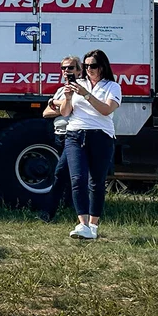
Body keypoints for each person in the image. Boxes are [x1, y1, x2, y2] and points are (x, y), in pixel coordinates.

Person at [59, 49, 121, 240]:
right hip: (75, 134)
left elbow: (106, 110)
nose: (88, 70)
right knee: (77, 178)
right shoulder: (79, 84)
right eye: (85, 66)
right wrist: (68, 98)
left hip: (101, 135)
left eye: (92, 66)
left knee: (96, 181)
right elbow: (64, 112)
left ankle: (93, 225)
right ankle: (82, 224)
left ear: (102, 67)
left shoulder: (112, 86)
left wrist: (86, 95)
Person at [39, 56, 82, 222]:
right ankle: (70, 208)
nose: (67, 71)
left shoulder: (82, 88)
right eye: (64, 68)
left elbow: (72, 108)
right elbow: (45, 113)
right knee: (65, 174)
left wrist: (56, 104)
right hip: (60, 135)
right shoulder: (61, 89)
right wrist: (61, 106)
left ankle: (49, 212)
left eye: (71, 68)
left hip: (75, 135)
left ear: (79, 70)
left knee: (66, 174)